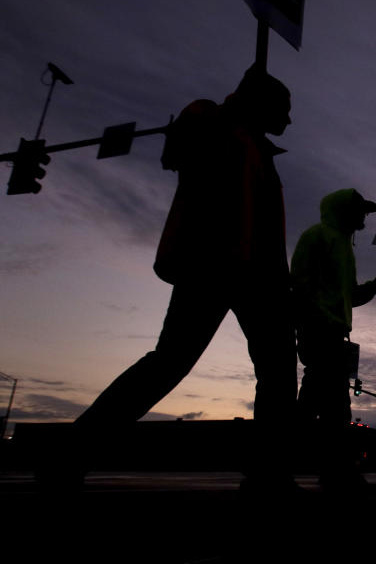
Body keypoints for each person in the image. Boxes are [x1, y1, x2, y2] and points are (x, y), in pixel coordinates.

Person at [68, 67, 298, 494]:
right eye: (282, 110)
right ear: (258, 103)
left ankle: (270, 472)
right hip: (212, 263)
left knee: (280, 371)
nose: (289, 121)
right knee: (170, 363)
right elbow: (178, 150)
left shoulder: (258, 148)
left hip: (261, 278)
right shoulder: (212, 121)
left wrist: (280, 284)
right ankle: (71, 453)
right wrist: (205, 121)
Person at [290, 188, 376, 494]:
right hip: (319, 330)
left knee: (317, 406)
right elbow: (299, 284)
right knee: (335, 406)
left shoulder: (344, 245)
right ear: (344, 210)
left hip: (331, 332)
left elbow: (349, 295)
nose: (364, 217)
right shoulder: (319, 236)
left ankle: (276, 465)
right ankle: (339, 474)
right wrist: (309, 321)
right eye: (360, 210)